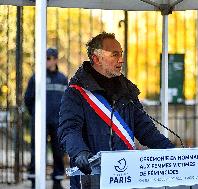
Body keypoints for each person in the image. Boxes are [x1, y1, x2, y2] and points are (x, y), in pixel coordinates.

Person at [57, 32, 175, 189]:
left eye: (121, 54)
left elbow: (146, 130)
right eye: (115, 55)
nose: (121, 60)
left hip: (125, 178)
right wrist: (79, 152)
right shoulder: (76, 92)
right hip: (91, 179)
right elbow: (69, 130)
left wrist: (172, 153)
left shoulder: (127, 91)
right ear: (96, 58)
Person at [24, 48, 68, 189]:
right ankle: (34, 179)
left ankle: (57, 179)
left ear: (55, 60)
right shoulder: (37, 77)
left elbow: (68, 100)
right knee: (36, 150)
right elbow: (28, 99)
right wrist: (36, 115)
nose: (46, 61)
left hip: (57, 122)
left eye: (49, 58)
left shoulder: (62, 79)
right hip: (40, 122)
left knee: (58, 150)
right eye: (44, 58)